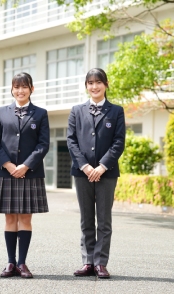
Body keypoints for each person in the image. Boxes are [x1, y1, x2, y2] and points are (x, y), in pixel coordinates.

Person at [0, 72, 50, 279]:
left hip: (30, 173)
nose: (20, 90)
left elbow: (43, 144)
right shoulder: (1, 112)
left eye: (24, 86)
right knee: (9, 218)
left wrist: (25, 165)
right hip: (6, 173)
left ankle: (22, 263)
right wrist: (7, 164)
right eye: (16, 87)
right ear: (12, 89)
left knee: (25, 217)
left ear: (32, 89)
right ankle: (10, 262)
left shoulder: (40, 114)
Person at [67, 68, 125, 279]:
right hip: (82, 173)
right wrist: (85, 166)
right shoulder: (76, 110)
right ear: (86, 86)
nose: (94, 86)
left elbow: (119, 142)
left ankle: (101, 263)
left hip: (106, 174)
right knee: (86, 219)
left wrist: (102, 166)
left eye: (98, 82)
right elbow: (71, 141)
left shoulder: (116, 111)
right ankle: (88, 261)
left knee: (104, 219)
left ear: (106, 84)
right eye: (90, 83)